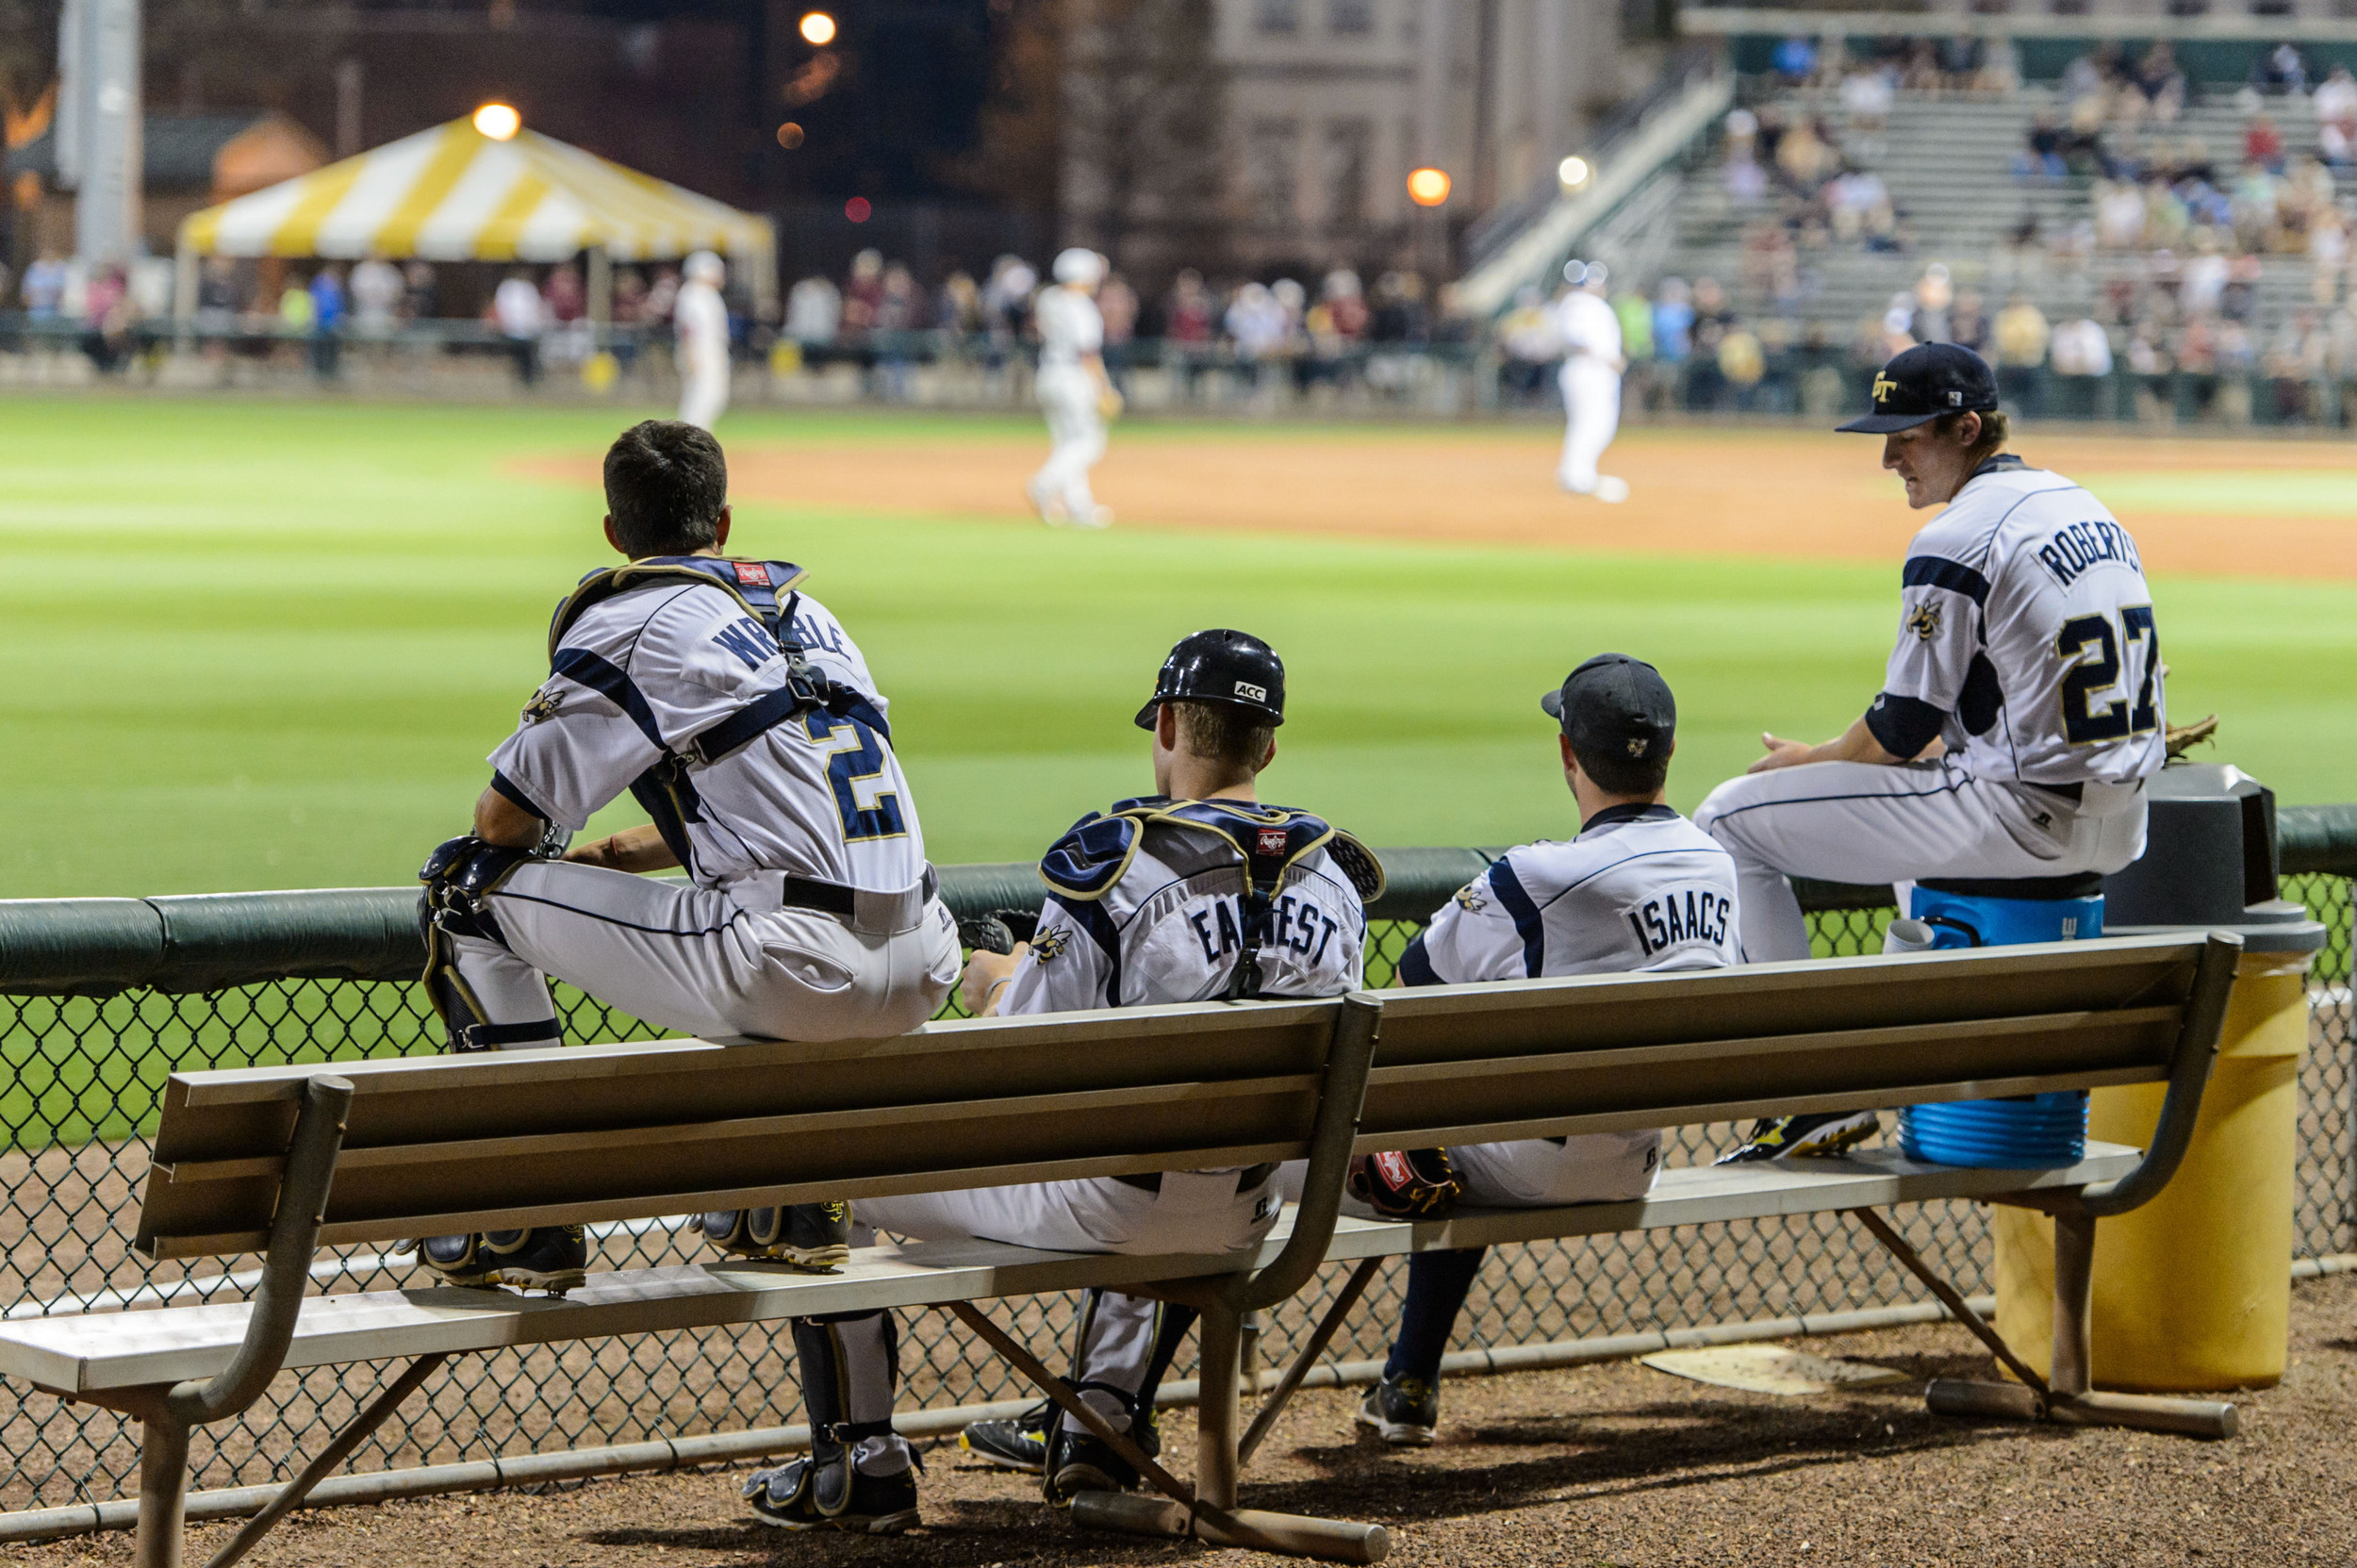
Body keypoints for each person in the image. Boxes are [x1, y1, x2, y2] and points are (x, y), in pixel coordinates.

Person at [740, 630, 1381, 1529]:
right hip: (1253, 1212)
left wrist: (992, 976)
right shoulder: (1338, 880)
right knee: (1171, 1146)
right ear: (1267, 745)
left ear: (1166, 723)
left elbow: (1025, 1054)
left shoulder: (1118, 860)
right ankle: (1101, 1431)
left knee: (814, 1169)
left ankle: (860, 1462)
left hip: (1106, 1205)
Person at [413, 420, 959, 1296]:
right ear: (726, 522)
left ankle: (525, 1215)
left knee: (464, 889)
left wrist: (555, 862)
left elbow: (505, 822)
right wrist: (615, 860)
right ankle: (787, 1198)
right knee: (763, 918)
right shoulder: (813, 618)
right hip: (928, 958)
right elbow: (773, 797)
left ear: (613, 534)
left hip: (793, 966)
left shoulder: (634, 616)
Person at [1693, 345, 2165, 1161]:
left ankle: (1812, 1092)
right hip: (2122, 825)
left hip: (2019, 819)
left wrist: (1813, 760)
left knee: (1729, 820)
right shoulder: (2087, 509)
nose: (1887, 457)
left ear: (1967, 428)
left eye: (1905, 437)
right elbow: (1992, 700)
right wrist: (1853, 757)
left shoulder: (1959, 534)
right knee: (1908, 805)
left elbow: (1899, 729)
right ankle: (1907, 1040)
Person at [1358, 654, 1739, 1446]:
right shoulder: (1719, 863)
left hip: (1533, 1163)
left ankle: (1399, 1376)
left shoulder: (1536, 874)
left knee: (1409, 1134)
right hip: (1638, 1158)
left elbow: (1403, 993)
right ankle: (1407, 1377)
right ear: (1669, 753)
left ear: (1568, 753)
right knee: (1462, 1127)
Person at [1027, 247, 1119, 528]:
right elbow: (1088, 353)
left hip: (1048, 374)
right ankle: (1043, 485)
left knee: (1066, 444)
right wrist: (1104, 388)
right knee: (1090, 442)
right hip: (1074, 378)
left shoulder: (1048, 298)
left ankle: (1079, 508)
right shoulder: (1082, 306)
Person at [1554, 259, 1629, 503]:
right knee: (1593, 424)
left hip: (1593, 372)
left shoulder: (1587, 304)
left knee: (1592, 425)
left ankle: (1575, 472)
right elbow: (1578, 340)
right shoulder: (1579, 303)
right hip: (1588, 371)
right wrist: (1608, 359)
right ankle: (1577, 476)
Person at [674, 251, 732, 429]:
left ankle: (695, 437)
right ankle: (689, 438)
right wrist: (691, 354)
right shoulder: (694, 293)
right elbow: (689, 328)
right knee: (703, 396)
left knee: (713, 396)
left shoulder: (705, 293)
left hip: (709, 349)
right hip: (700, 350)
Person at [493, 268, 546, 386]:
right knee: (518, 357)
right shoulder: (508, 288)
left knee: (527, 357)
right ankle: (523, 379)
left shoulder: (527, 288)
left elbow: (535, 308)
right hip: (513, 329)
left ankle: (529, 380)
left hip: (527, 330)